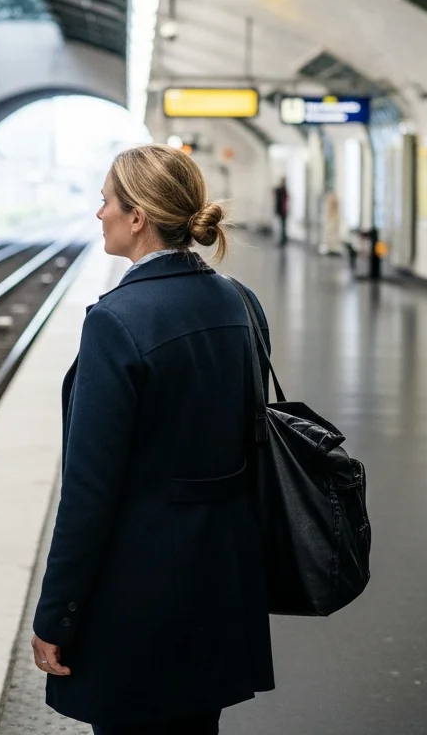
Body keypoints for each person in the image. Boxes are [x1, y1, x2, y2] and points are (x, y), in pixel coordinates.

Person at [32, 144, 274, 735]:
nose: (99, 214)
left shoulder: (117, 320)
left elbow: (90, 491)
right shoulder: (241, 302)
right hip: (222, 576)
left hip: (139, 592)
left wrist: (57, 615)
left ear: (137, 216)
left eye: (106, 202)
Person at [273, 177, 289, 245]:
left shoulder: (283, 190)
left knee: (283, 226)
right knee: (282, 226)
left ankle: (284, 240)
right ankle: (283, 239)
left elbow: (284, 201)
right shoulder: (281, 190)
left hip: (283, 211)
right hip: (282, 210)